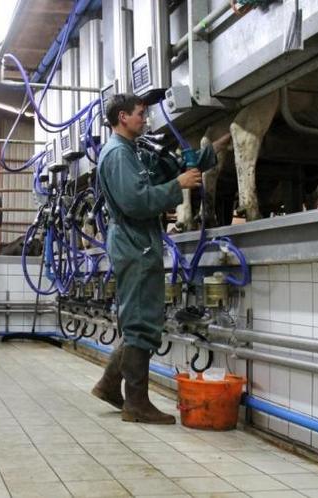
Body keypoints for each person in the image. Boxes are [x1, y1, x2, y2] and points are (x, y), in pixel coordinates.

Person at [91, 93, 230, 424]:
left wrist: (215, 148)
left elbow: (168, 169)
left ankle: (110, 384)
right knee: (142, 321)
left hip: (139, 242)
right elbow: (135, 202)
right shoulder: (117, 155)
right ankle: (136, 403)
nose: (145, 119)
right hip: (134, 243)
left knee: (140, 317)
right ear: (122, 117)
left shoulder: (131, 151)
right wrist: (177, 187)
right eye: (140, 114)